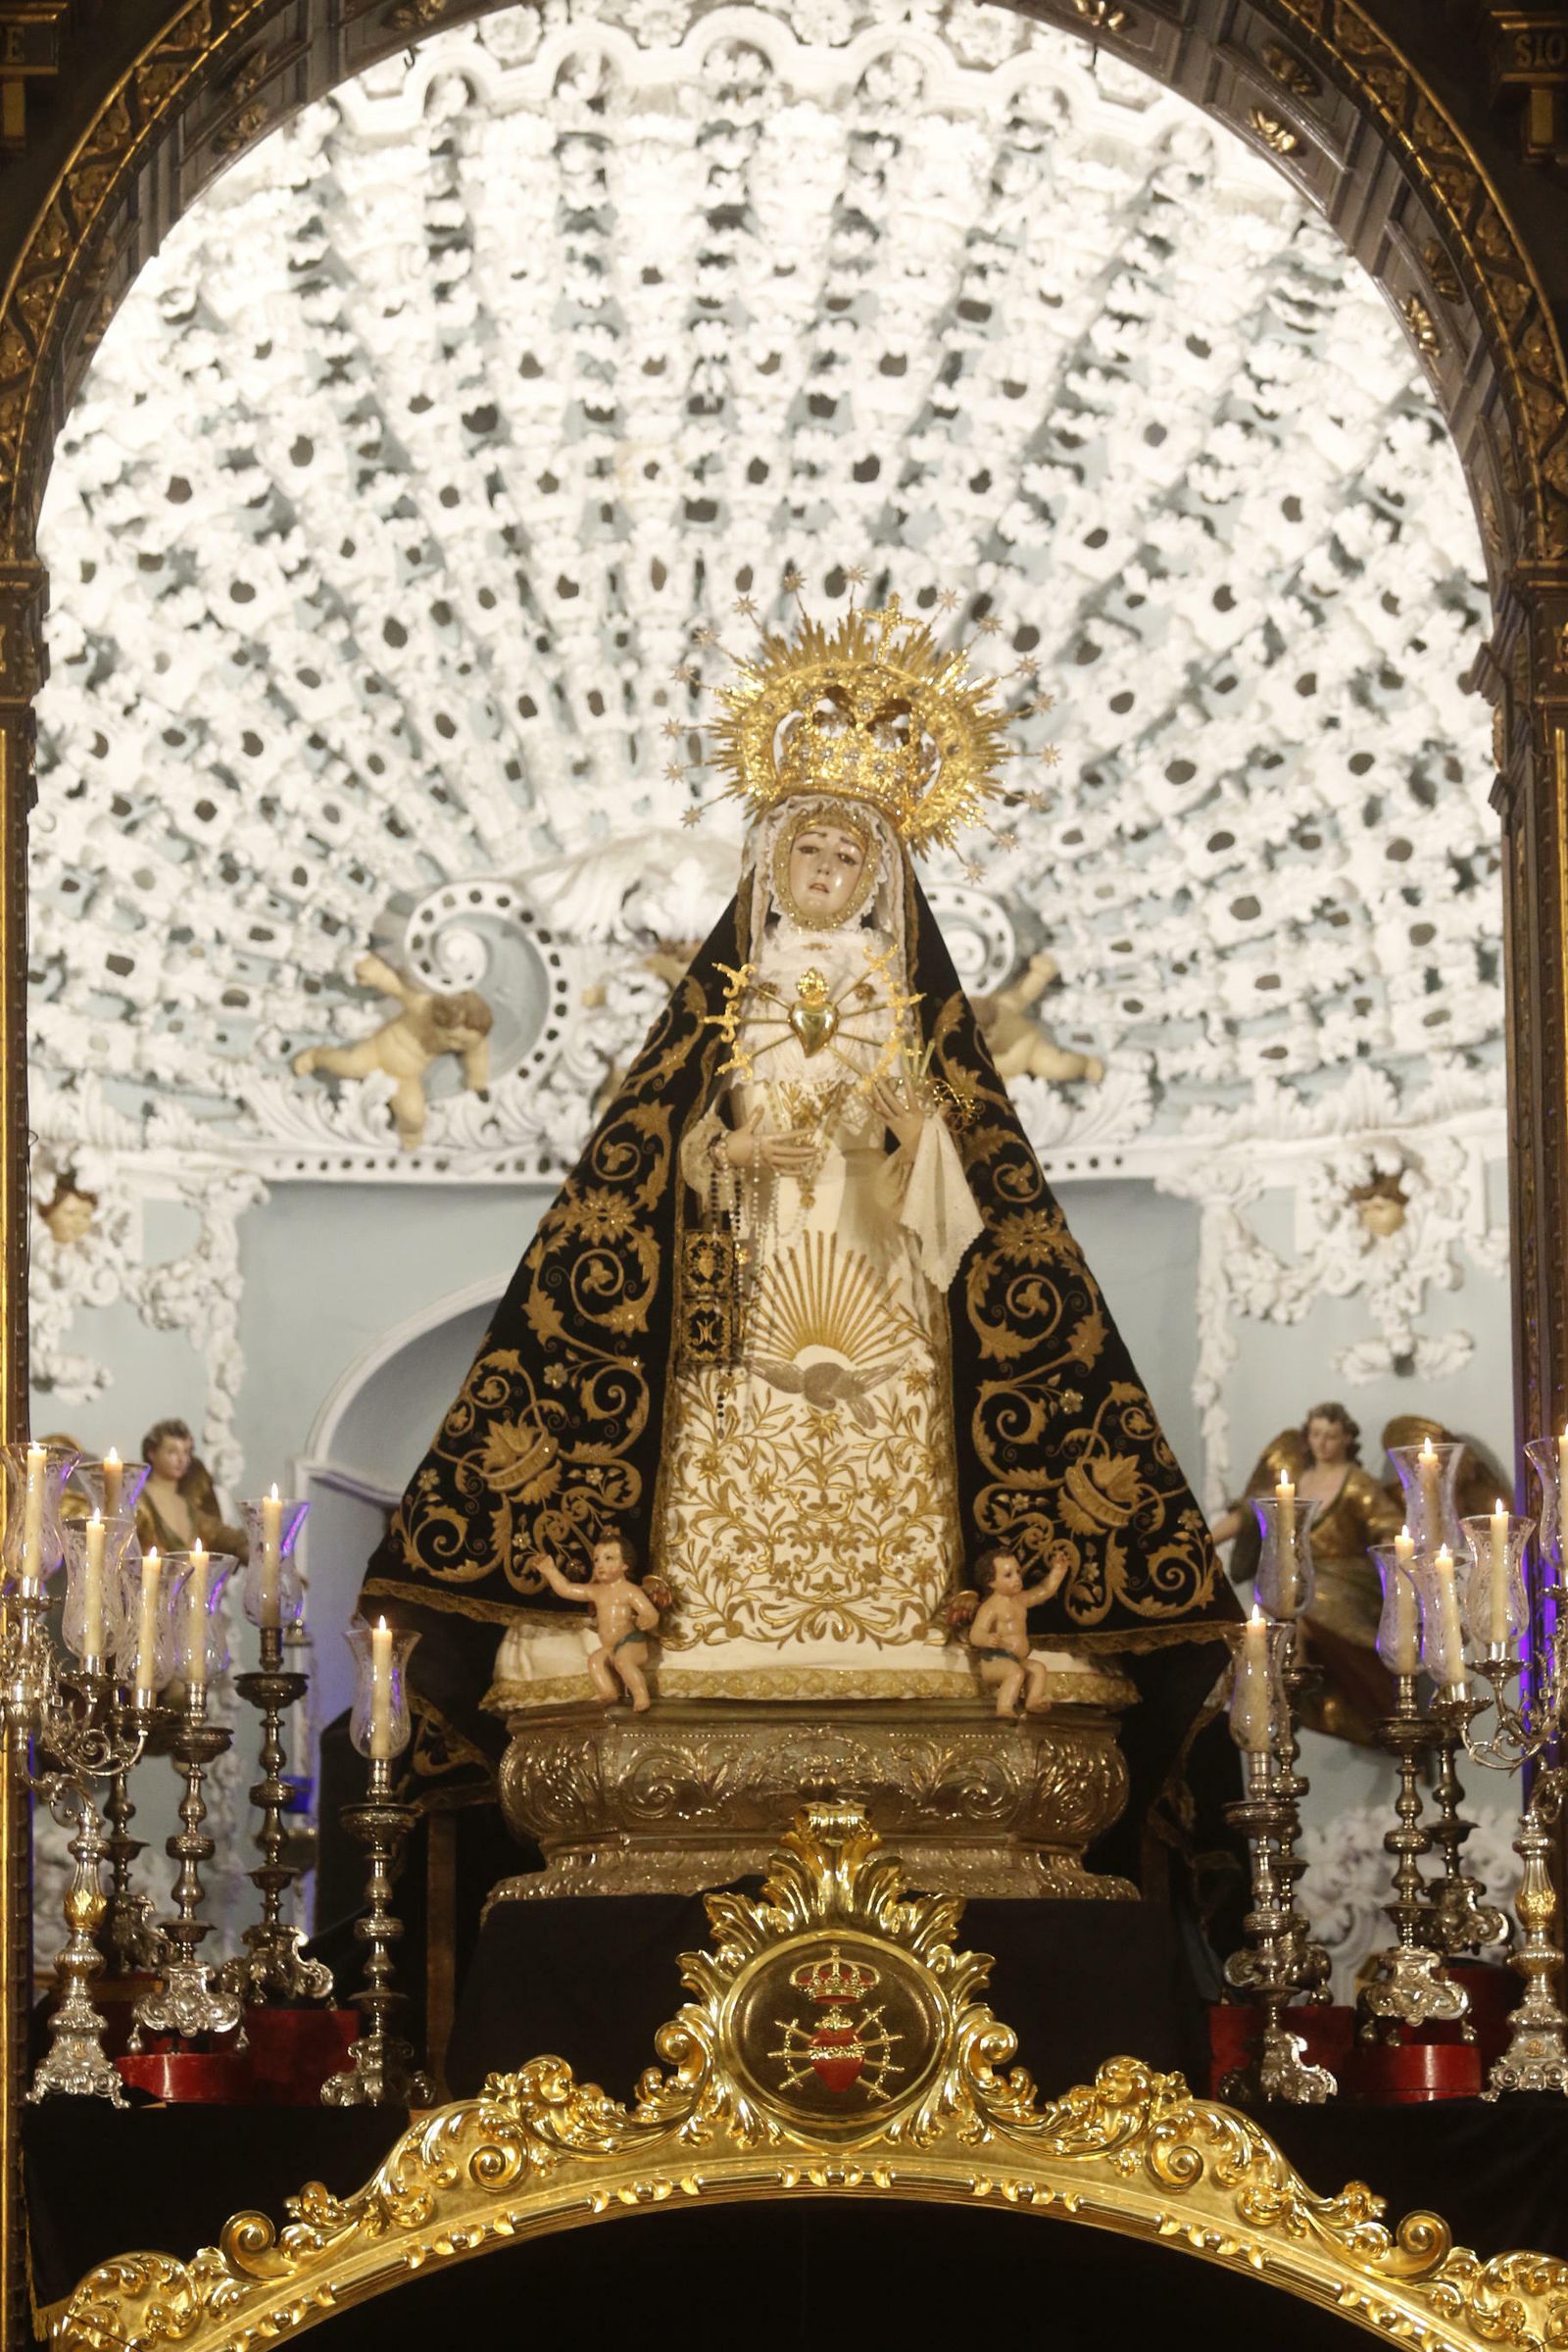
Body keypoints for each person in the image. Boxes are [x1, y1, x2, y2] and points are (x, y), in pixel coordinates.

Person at [361, 592, 1236, 1885]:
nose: (824, 876)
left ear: (880, 879)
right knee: (729, 1422)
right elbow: (645, 1196)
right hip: (747, 1287)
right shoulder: (725, 1009)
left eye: (847, 862)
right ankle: (712, 1632)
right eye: (806, 856)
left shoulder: (904, 1011)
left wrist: (897, 1132)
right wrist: (726, 1155)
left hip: (885, 1289)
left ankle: (915, 1638)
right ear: (772, 869)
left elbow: (970, 1220)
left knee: (898, 1425)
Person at [1211, 1400, 1400, 1744]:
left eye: (1331, 1436)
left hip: (1347, 1578)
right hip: (1300, 1575)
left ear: (1346, 1439)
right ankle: (1281, 1695)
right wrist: (1205, 1542)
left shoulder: (1357, 1483)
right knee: (1269, 1618)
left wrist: (1394, 1550)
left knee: (1296, 1611)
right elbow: (1251, 1513)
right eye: (1315, 1434)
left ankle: (1288, 1695)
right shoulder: (1296, 1480)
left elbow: (1386, 1523)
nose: (1322, 1443)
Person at [526, 1532, 661, 1711]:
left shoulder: (630, 1590)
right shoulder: (596, 1591)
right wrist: (551, 1571)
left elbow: (650, 1612)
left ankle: (641, 1695)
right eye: (596, 1560)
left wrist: (647, 1619)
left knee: (622, 1661)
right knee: (594, 1661)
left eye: (609, 1558)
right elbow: (567, 1589)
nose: (600, 1565)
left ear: (625, 1565)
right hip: (609, 1647)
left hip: (632, 1642)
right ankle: (608, 1693)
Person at [967, 1545, 1071, 1716]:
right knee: (1015, 1673)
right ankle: (1004, 1708)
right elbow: (975, 1633)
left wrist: (1058, 1572)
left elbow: (1045, 1590)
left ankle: (1033, 1701)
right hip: (995, 1661)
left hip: (1017, 1658)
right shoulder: (990, 1607)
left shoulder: (1020, 1600)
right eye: (1008, 1575)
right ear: (990, 1581)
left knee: (1038, 1668)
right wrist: (986, 1639)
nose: (1017, 1578)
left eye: (1017, 1572)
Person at [135, 1417, 249, 1562]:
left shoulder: (186, 1503)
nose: (181, 1460)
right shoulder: (138, 1499)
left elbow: (216, 1532)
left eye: (186, 1452)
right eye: (172, 1452)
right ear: (152, 1453)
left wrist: (248, 1542)